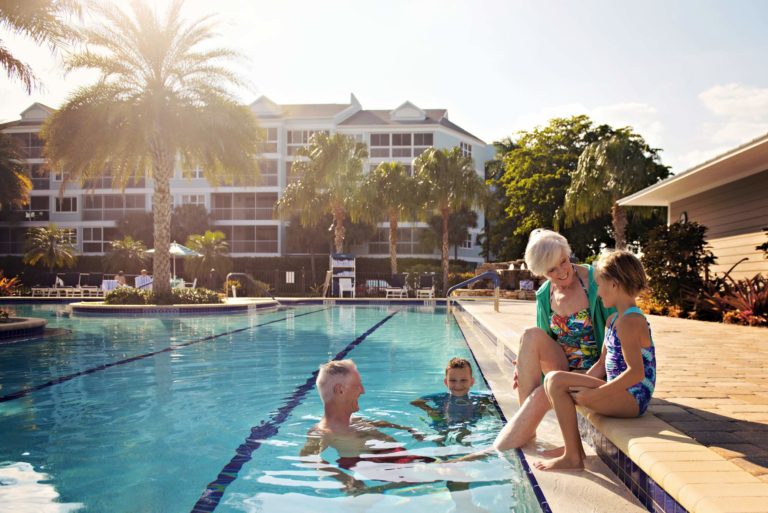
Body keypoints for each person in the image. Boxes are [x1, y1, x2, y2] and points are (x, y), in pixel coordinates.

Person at [533, 250, 656, 471]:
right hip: (618, 391)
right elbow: (601, 365)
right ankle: (573, 451)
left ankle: (572, 456)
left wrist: (600, 393)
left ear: (615, 285)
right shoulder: (613, 319)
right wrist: (578, 383)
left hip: (634, 397)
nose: (597, 292)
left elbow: (636, 373)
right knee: (554, 381)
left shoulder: (630, 321)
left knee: (556, 382)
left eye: (599, 285)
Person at [494, 229, 615, 450]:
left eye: (563, 261)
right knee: (529, 335)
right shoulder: (544, 294)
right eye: (551, 269)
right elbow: (543, 341)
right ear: (541, 271)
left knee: (541, 395)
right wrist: (523, 364)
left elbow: (616, 332)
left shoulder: (596, 281)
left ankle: (503, 448)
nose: (561, 272)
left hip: (595, 368)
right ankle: (526, 432)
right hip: (562, 365)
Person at [300, 360, 429, 494]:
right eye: (357, 385)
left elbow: (380, 423)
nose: (363, 390)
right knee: (447, 471)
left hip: (398, 457)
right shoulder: (324, 431)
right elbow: (308, 457)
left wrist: (407, 429)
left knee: (446, 469)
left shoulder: (354, 419)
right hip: (381, 465)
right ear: (340, 390)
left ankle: (375, 491)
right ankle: (374, 491)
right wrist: (344, 478)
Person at [411, 357, 494, 444]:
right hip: (443, 423)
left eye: (463, 380)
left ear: (471, 382)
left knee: (465, 436)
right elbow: (416, 402)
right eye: (453, 380)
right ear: (446, 382)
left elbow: (491, 402)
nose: (458, 385)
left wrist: (483, 409)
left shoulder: (479, 397)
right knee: (440, 438)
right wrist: (430, 410)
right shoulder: (441, 396)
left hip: (466, 424)